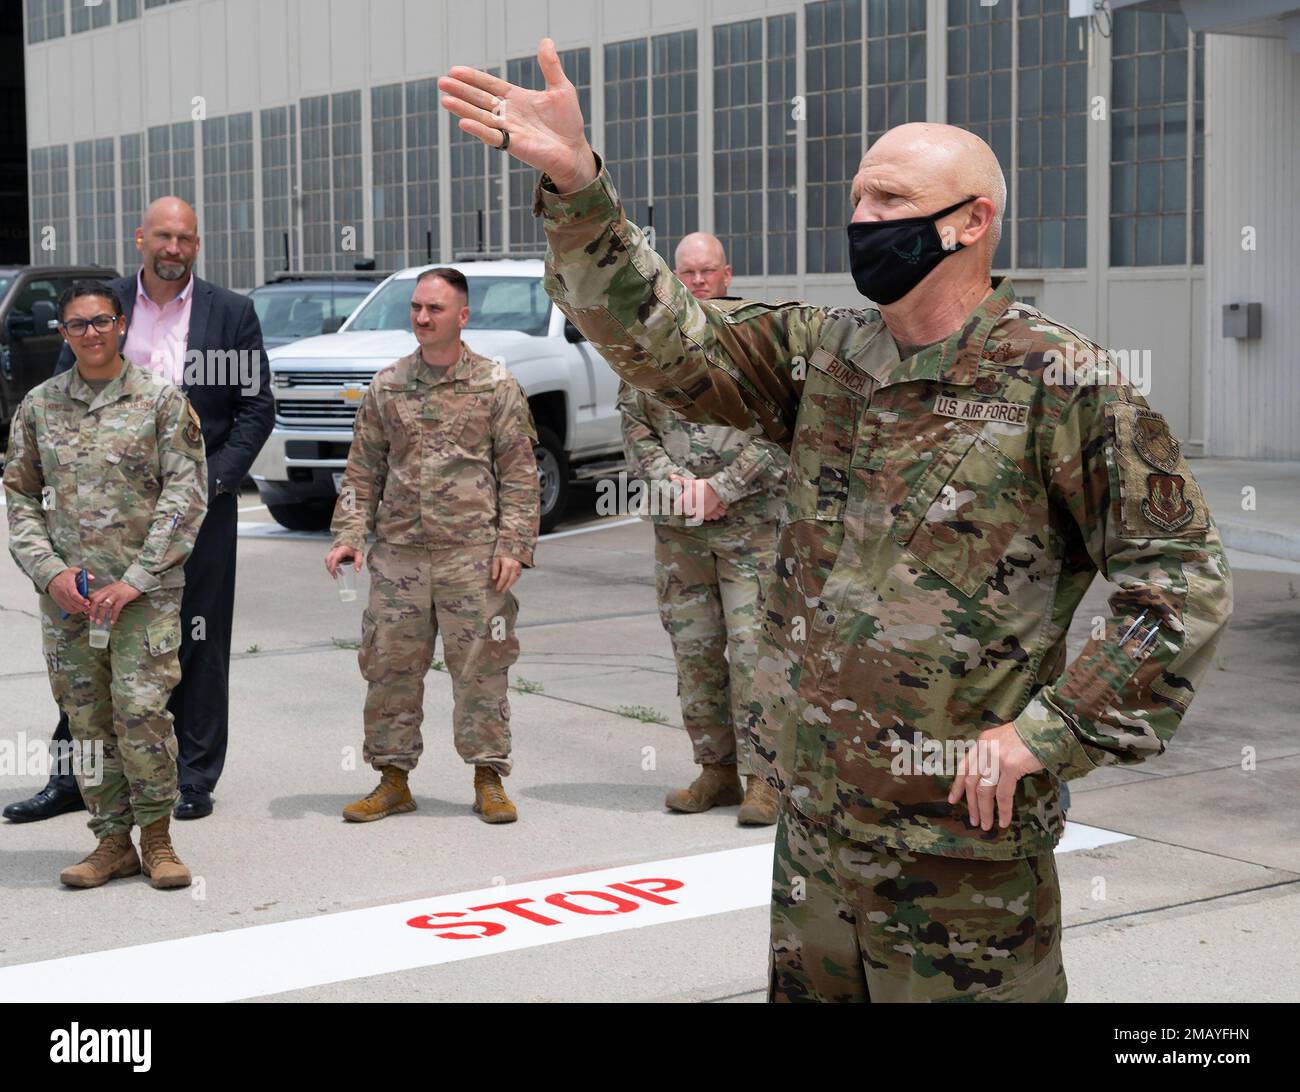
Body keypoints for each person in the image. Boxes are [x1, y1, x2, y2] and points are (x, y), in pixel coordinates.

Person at [438, 42, 1233, 1001]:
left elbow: (1180, 582)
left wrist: (1052, 733)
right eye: (858, 200)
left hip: (961, 854)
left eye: (891, 201)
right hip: (817, 834)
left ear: (972, 221)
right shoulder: (825, 357)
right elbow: (659, 337)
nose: (863, 220)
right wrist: (576, 185)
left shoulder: (1059, 380)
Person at [3, 196, 273, 825]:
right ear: (140, 239)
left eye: (184, 238)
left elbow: (257, 409)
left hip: (199, 514)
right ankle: (75, 778)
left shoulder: (231, 313)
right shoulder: (101, 308)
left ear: (196, 245)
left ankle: (193, 776)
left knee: (198, 642)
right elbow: (64, 397)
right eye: (162, 236)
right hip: (102, 516)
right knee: (87, 643)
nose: (173, 247)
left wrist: (209, 488)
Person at [4, 281, 207, 887]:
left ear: (121, 325)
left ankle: (159, 840)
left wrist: (139, 578)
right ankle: (111, 842)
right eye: (76, 324)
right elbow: (18, 496)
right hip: (70, 601)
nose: (90, 333)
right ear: (62, 333)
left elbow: (185, 494)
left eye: (100, 321)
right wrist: (50, 572)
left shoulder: (161, 402)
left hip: (143, 598)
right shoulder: (38, 406)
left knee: (142, 714)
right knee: (87, 720)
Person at [325, 268, 540, 824]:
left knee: (481, 669)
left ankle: (488, 777)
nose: (422, 318)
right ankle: (392, 779)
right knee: (390, 667)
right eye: (416, 307)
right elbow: (363, 470)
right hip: (399, 557)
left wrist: (513, 545)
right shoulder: (388, 384)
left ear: (462, 316)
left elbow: (520, 473)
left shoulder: (496, 385)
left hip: (473, 556)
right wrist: (349, 536)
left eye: (435, 309)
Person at [617, 231, 788, 825]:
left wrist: (723, 488)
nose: (696, 283)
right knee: (694, 652)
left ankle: (765, 778)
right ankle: (715, 770)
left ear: (727, 274)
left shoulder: (757, 343)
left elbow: (784, 434)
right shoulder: (649, 347)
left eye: (706, 272)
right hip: (680, 534)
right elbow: (635, 426)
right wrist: (679, 486)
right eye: (685, 273)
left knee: (754, 653)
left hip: (751, 532)